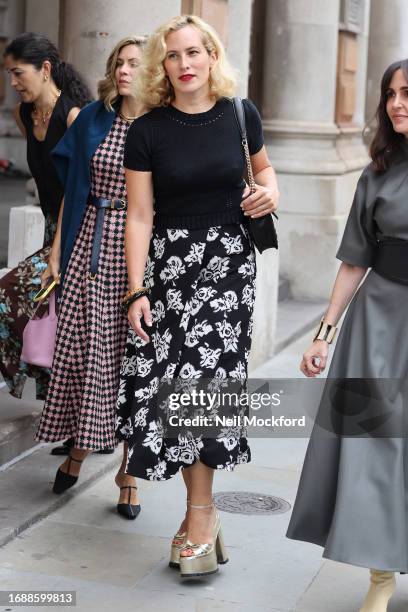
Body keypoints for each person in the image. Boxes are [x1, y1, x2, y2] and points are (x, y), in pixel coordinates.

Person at [115, 14, 279, 576]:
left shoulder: (241, 114)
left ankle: (201, 516)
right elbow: (139, 216)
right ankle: (200, 516)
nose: (184, 64)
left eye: (194, 52)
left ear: (212, 57)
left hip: (229, 269)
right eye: (172, 55)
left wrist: (269, 193)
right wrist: (136, 290)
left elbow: (266, 173)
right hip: (169, 271)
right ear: (161, 66)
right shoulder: (147, 130)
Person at [286, 59, 408, 612]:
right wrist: (323, 333)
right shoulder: (377, 171)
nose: (397, 103)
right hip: (378, 320)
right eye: (390, 94)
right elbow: (355, 258)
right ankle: (382, 576)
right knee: (374, 444)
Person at [35, 36, 147, 520]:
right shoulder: (91, 119)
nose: (124, 71)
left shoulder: (161, 128)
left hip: (138, 253)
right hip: (87, 245)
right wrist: (57, 252)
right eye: (119, 63)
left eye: (135, 64)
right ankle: (79, 448)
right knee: (82, 351)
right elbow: (71, 191)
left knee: (129, 361)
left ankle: (129, 473)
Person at [0, 32, 91, 400]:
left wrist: (55, 253)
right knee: (58, 326)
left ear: (46, 69)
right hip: (54, 227)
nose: (12, 82)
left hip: (80, 231)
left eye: (18, 73)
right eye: (8, 73)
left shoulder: (73, 117)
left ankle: (86, 428)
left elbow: (78, 190)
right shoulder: (25, 115)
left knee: (14, 299)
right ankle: (67, 423)